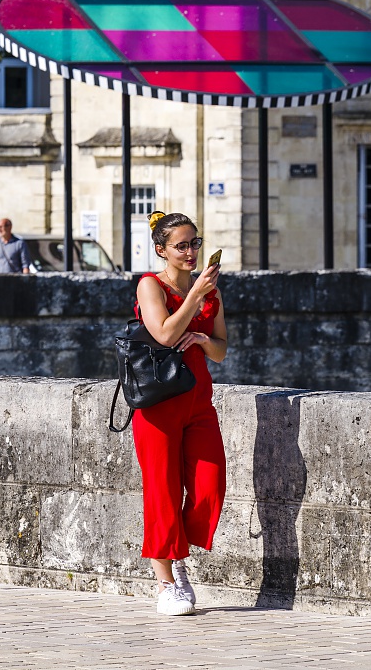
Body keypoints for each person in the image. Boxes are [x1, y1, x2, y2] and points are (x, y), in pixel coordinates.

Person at [133, 211, 227, 616]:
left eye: (195, 243)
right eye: (181, 246)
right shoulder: (150, 286)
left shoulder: (210, 291)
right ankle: (166, 582)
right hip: (158, 405)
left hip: (198, 403)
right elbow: (165, 333)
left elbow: (220, 351)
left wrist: (204, 338)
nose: (190, 252)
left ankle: (177, 553)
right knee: (163, 492)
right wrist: (195, 296)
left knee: (210, 486)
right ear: (162, 250)